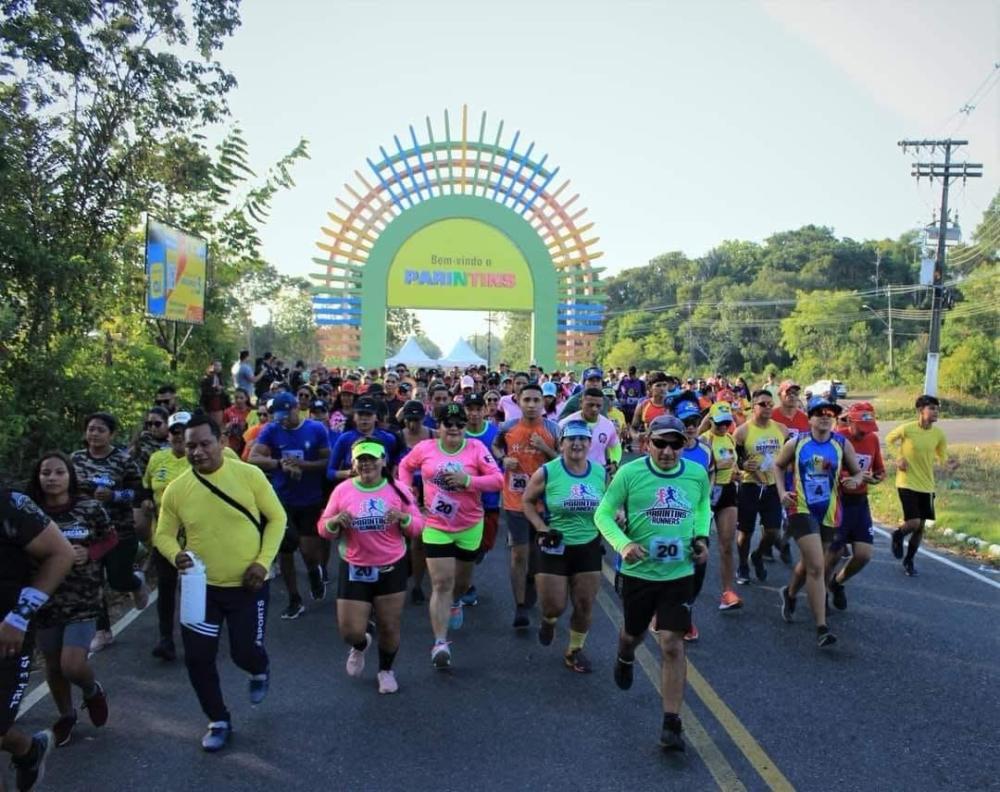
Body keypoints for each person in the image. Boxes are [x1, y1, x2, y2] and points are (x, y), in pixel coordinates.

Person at [154, 414, 287, 752]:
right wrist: (176, 556)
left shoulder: (248, 475)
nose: (197, 452)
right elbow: (163, 535)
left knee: (244, 652)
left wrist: (262, 561)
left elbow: (277, 518)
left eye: (204, 444)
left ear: (222, 442)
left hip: (249, 585)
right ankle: (218, 719)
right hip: (201, 589)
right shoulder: (177, 489)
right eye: (190, 445)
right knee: (198, 658)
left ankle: (259, 668)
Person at [594, 415, 710, 752]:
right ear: (648, 442)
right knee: (634, 634)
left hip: (679, 574)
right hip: (639, 573)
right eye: (661, 443)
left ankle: (671, 722)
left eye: (676, 444)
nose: (668, 451)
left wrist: (701, 537)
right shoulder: (631, 473)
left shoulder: (696, 474)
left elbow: (702, 506)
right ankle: (625, 655)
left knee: (672, 643)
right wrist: (623, 544)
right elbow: (603, 513)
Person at [398, 403, 503, 669]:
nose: (454, 428)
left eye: (459, 424)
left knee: (461, 583)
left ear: (465, 426)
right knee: (441, 583)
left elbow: (498, 480)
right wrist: (408, 491)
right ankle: (440, 643)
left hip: (469, 525)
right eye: (448, 423)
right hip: (436, 525)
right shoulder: (426, 448)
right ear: (440, 426)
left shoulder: (476, 449)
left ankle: (457, 601)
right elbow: (404, 466)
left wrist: (469, 481)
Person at [317, 440, 423, 694]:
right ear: (353, 464)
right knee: (349, 631)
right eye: (361, 460)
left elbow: (419, 525)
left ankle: (386, 670)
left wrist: (404, 518)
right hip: (356, 567)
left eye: (372, 459)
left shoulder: (398, 490)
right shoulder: (343, 490)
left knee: (389, 626)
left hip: (390, 566)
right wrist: (334, 522)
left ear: (383, 461)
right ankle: (361, 643)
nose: (366, 464)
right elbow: (322, 527)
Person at [26, 452, 115, 746]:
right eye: (46, 473)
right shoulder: (31, 511)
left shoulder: (89, 507)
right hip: (44, 599)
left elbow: (110, 538)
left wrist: (90, 552)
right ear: (38, 478)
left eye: (59, 472)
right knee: (52, 665)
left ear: (70, 476)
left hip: (83, 599)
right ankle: (66, 715)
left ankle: (91, 690)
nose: (52, 478)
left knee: (72, 665)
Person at [774, 398, 864, 648]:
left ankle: (790, 593)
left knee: (813, 564)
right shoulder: (797, 442)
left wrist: (856, 480)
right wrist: (782, 492)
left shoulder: (841, 444)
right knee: (816, 567)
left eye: (830, 413)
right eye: (819, 413)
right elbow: (778, 466)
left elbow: (857, 472)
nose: (825, 417)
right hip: (800, 509)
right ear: (810, 417)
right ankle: (822, 628)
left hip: (830, 512)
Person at [0, 488, 74, 789]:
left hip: (6, 635)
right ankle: (27, 749)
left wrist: (19, 616)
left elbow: (62, 553)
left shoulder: (8, 502)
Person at [521, 420, 605, 673]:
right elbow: (526, 501)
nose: (577, 444)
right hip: (554, 544)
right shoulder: (548, 471)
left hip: (588, 545)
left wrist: (617, 515)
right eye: (571, 439)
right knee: (554, 605)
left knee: (584, 604)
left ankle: (574, 650)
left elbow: (608, 504)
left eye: (582, 439)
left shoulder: (600, 472)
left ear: (590, 444)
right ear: (562, 443)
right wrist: (541, 527)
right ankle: (548, 621)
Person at [71, 412, 149, 653]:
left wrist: (115, 495)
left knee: (117, 579)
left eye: (100, 430)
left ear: (111, 434)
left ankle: (136, 583)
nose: (94, 434)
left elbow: (139, 493)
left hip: (120, 530)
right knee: (93, 581)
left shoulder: (123, 461)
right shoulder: (75, 459)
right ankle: (102, 631)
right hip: (86, 531)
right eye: (91, 429)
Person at [249, 391, 331, 618]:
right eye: (278, 416)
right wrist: (278, 464)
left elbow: (327, 461)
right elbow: (252, 458)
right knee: (285, 550)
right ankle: (294, 599)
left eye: (285, 414)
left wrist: (302, 465)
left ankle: (315, 571)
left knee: (308, 550)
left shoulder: (316, 429)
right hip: (282, 500)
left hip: (310, 499)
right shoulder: (272, 430)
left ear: (296, 408)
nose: (282, 420)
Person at [492, 384, 560, 629]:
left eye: (536, 400)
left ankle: (532, 582)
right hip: (515, 501)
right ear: (518, 402)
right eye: (527, 400)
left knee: (539, 555)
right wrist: (503, 458)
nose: (531, 405)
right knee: (519, 554)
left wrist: (544, 448)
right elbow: (496, 446)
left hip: (545, 504)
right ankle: (520, 607)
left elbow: (564, 461)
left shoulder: (553, 428)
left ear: (544, 403)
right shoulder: (508, 427)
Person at [885, 394, 956, 577]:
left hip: (927, 485)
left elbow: (942, 456)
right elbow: (888, 440)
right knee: (913, 522)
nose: (935, 412)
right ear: (920, 411)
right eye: (931, 408)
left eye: (937, 409)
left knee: (920, 527)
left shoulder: (938, 434)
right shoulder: (907, 429)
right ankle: (898, 535)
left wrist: (949, 465)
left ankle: (909, 560)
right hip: (906, 482)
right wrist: (898, 458)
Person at [828, 402, 885, 608]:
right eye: (861, 429)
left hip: (860, 502)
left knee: (863, 555)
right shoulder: (837, 438)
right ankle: (820, 593)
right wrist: (849, 476)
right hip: (838, 501)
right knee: (832, 554)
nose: (865, 434)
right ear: (850, 421)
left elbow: (880, 470)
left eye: (868, 429)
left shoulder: (873, 440)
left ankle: (837, 583)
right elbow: (826, 468)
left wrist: (875, 478)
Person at [732, 391, 788, 585]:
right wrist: (743, 465)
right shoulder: (742, 432)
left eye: (770, 404)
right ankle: (742, 565)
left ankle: (757, 556)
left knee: (773, 531)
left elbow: (789, 456)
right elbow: (735, 459)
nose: (767, 407)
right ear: (753, 406)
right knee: (746, 532)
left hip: (772, 486)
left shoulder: (782, 429)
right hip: (750, 486)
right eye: (763, 404)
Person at [461, 393, 502, 605]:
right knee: (465, 548)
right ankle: (466, 586)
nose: (474, 413)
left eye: (478, 409)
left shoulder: (495, 433)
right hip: (463, 501)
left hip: (490, 500)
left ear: (485, 410)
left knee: (484, 545)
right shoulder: (458, 433)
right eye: (470, 409)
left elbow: (501, 467)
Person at [702, 403, 742, 611]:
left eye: (727, 423)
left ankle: (727, 592)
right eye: (720, 423)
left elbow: (733, 465)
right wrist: (716, 469)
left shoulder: (730, 438)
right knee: (698, 546)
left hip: (727, 492)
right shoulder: (704, 441)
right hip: (707, 495)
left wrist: (737, 473)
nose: (724, 426)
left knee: (727, 545)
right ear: (710, 422)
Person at [398, 400, 432, 604]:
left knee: (419, 542)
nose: (412, 425)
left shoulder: (433, 435)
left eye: (416, 420)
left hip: (429, 494)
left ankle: (418, 584)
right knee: (404, 539)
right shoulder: (398, 438)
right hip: (404, 493)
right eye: (409, 420)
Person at [559, 388, 622, 475]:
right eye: (590, 405)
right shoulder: (566, 423)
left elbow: (615, 446)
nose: (594, 409)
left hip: (598, 472)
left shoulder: (608, 425)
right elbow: (556, 448)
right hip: (570, 472)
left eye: (598, 406)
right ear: (581, 403)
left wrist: (615, 463)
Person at [199, 361, 229, 426]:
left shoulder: (220, 376)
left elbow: (222, 389)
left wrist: (221, 389)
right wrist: (215, 389)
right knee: (212, 422)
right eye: (216, 365)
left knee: (219, 422)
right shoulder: (206, 378)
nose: (218, 367)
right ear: (211, 367)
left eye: (219, 366)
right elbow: (204, 392)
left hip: (220, 402)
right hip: (210, 402)